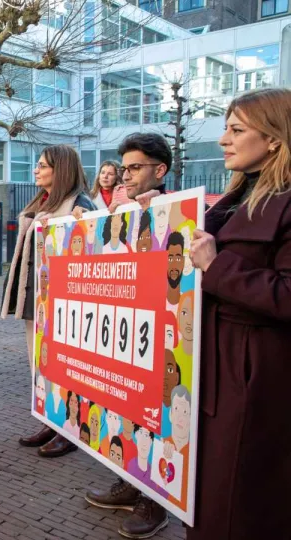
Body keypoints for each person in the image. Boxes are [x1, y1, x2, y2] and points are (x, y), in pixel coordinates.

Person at [187, 88, 291, 539]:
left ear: (273, 138)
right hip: (211, 365)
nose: (223, 139)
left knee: (234, 498)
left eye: (236, 129)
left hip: (252, 374)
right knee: (206, 492)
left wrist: (218, 267)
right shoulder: (233, 198)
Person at [85, 131, 174, 539]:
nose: (126, 175)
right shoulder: (122, 211)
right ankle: (130, 482)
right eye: (124, 168)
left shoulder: (180, 209)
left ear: (160, 170)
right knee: (126, 414)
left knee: (158, 419)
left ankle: (157, 502)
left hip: (160, 339)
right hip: (126, 334)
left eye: (135, 168)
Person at [2, 145, 95, 456]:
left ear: (61, 169)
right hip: (37, 297)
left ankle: (70, 429)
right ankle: (51, 420)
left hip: (61, 302)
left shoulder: (80, 204)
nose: (36, 170)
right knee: (40, 364)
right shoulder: (43, 201)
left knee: (64, 367)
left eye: (42, 166)